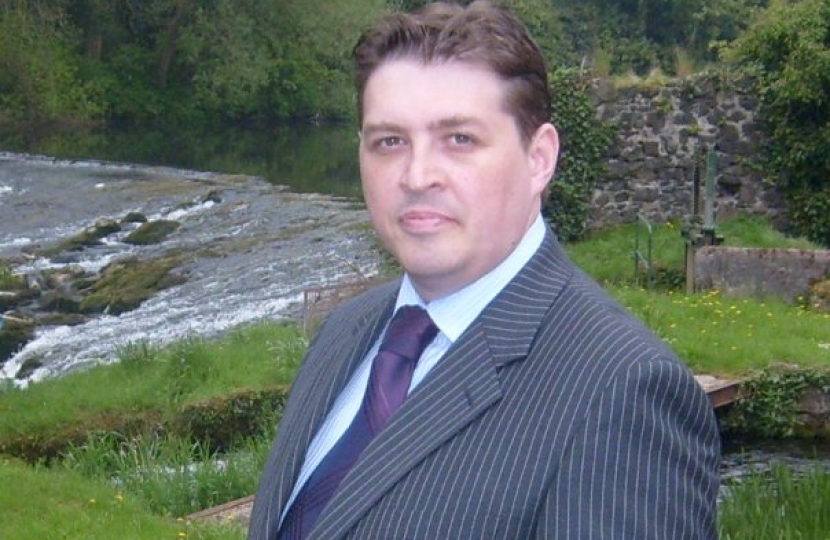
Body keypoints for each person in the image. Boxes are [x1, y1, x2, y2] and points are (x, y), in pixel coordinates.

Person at [248, 2, 720, 539]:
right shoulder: (343, 332)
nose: (417, 175)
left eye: (460, 139)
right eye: (389, 141)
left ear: (539, 158)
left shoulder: (622, 391)